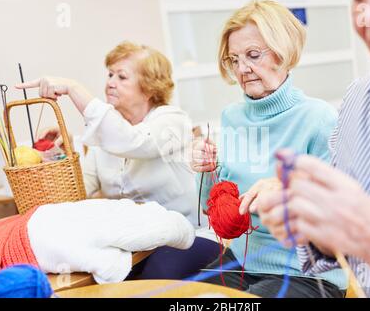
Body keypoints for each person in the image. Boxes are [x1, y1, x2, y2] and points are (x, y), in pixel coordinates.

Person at [257, 0, 370, 297]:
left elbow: (366, 236)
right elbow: (342, 242)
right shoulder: (358, 99)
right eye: (360, 0)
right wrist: (316, 221)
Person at [16, 41, 219, 280]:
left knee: (150, 283)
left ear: (150, 87)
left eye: (122, 77)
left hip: (186, 238)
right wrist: (59, 155)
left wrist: (74, 89)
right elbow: (77, 194)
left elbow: (134, 142)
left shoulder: (173, 121)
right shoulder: (105, 137)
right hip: (131, 247)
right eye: (110, 74)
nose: (110, 82)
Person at [192, 0, 346, 297]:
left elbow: (338, 217)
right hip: (243, 261)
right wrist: (206, 170)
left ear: (284, 52)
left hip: (306, 273)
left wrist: (287, 192)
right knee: (187, 301)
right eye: (234, 59)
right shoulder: (232, 117)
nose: (242, 69)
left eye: (252, 55)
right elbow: (212, 207)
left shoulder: (319, 119)